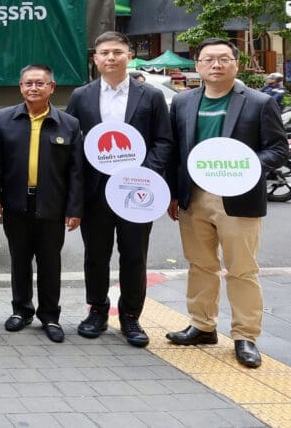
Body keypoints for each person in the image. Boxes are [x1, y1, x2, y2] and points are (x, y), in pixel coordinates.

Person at [166, 38, 288, 368]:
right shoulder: (183, 102)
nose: (216, 65)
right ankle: (202, 325)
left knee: (242, 269)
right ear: (198, 65)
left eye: (223, 59)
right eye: (209, 59)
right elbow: (176, 151)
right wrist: (173, 194)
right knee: (200, 263)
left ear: (236, 63)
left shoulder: (259, 102)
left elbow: (278, 149)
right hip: (195, 196)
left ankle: (245, 335)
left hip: (238, 196)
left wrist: (244, 168)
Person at [65, 32, 173, 347]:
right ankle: (97, 311)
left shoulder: (150, 96)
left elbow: (163, 140)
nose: (111, 58)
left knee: (134, 256)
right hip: (96, 191)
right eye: (104, 53)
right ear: (95, 59)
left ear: (128, 56)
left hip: (136, 192)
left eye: (117, 52)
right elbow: (72, 144)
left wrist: (146, 174)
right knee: (95, 255)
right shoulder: (81, 96)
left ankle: (130, 318)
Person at [0, 64, 83, 343]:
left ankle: (50, 316)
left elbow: (76, 172)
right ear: (20, 87)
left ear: (51, 88)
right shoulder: (6, 118)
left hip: (52, 205)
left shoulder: (69, 124)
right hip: (16, 202)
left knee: (50, 262)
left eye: (40, 83)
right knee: (19, 259)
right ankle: (21, 310)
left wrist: (74, 209)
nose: (33, 88)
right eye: (28, 83)